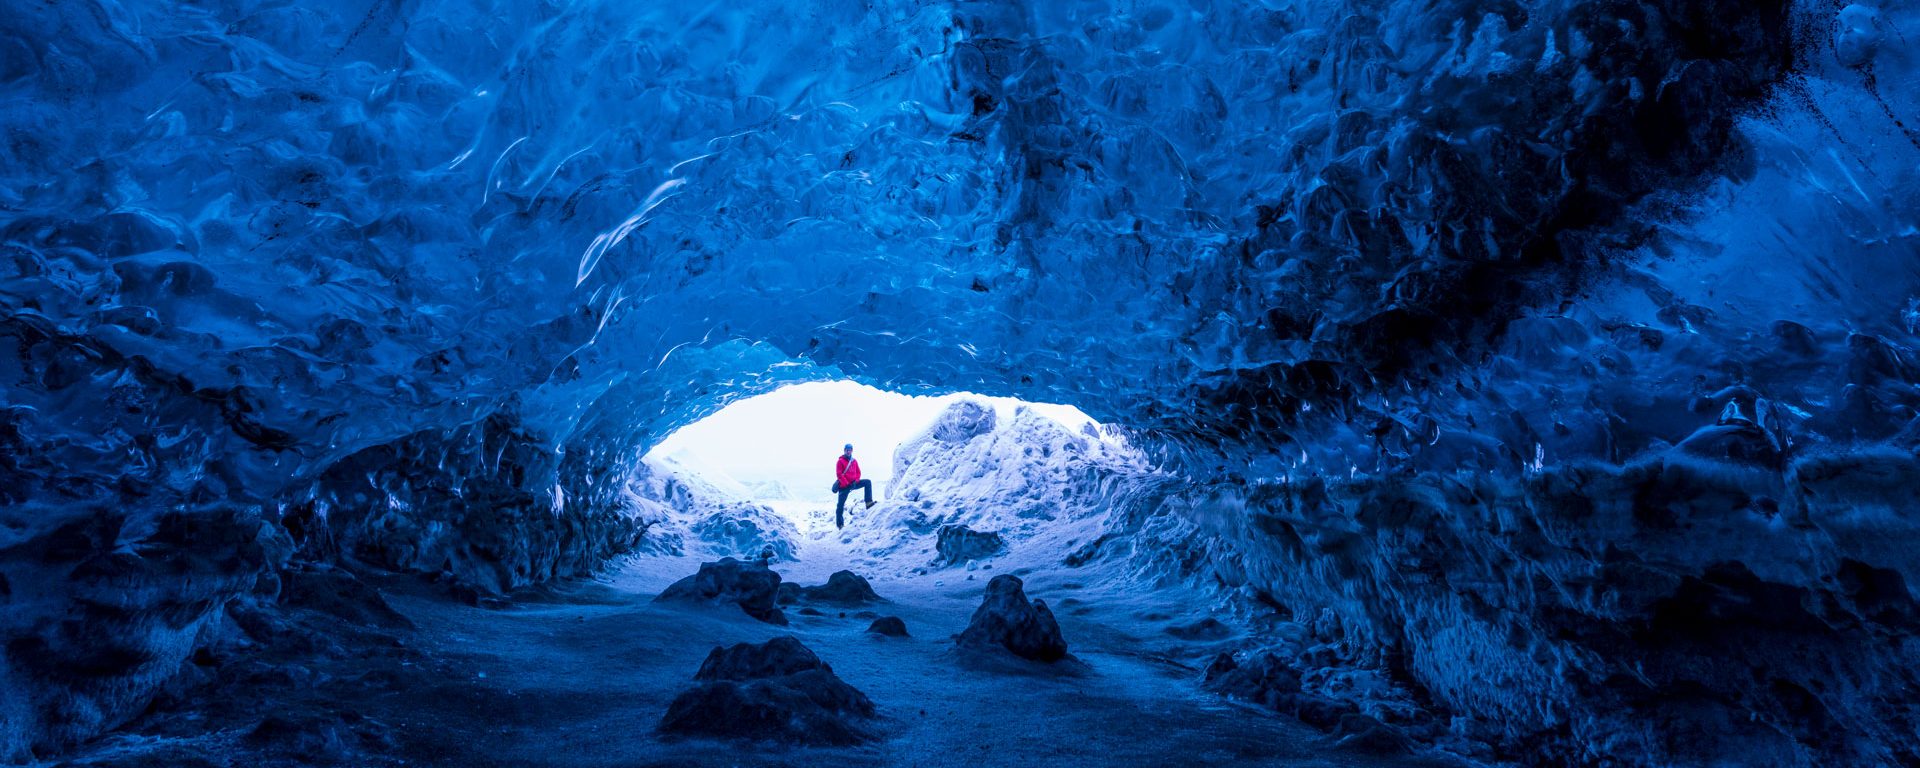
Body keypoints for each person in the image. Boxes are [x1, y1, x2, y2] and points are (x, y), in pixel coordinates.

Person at [831, 443, 874, 529]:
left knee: (867, 482)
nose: (848, 451)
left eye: (850, 449)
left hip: (854, 483)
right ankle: (840, 525)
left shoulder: (854, 461)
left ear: (852, 450)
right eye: (847, 449)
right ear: (844, 450)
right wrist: (846, 483)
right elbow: (839, 474)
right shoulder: (840, 461)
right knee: (840, 505)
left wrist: (856, 480)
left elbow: (858, 472)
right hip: (844, 486)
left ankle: (868, 503)